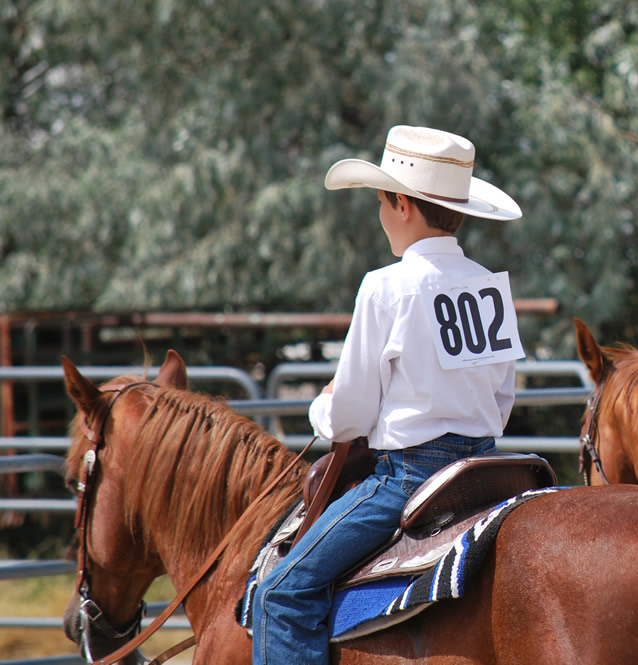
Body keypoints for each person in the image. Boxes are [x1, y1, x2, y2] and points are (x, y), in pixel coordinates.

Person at [252, 125, 525, 665]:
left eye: (380, 201)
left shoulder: (386, 285)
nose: (380, 216)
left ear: (401, 203)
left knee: (280, 595)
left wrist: (319, 408)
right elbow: (501, 400)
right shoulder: (488, 286)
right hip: (486, 470)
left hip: (408, 479)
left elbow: (348, 417)